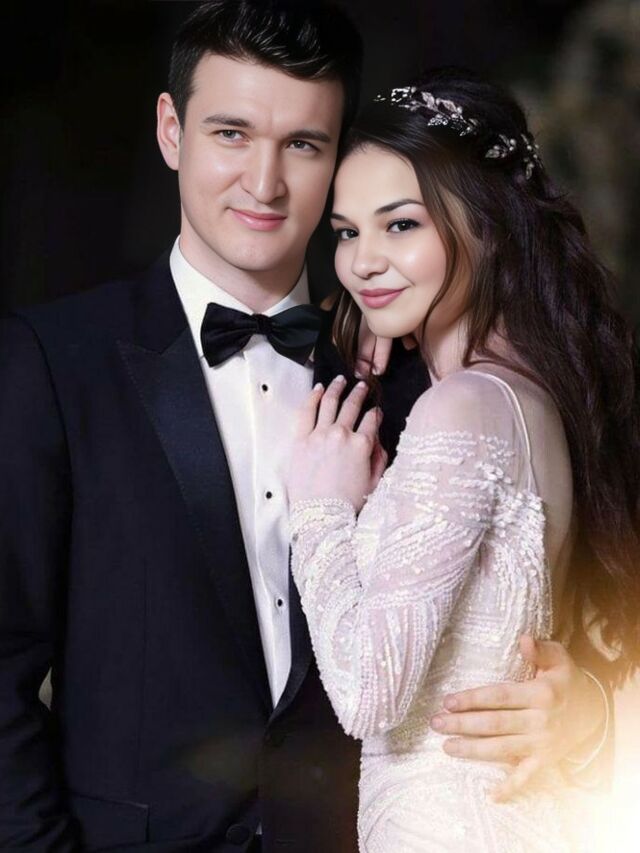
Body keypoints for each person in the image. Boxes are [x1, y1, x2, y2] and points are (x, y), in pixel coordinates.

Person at [0, 2, 613, 850]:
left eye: (303, 144)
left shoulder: (426, 378)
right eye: (231, 133)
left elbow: (567, 602)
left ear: (340, 161)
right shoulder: (53, 362)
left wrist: (584, 713)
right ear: (172, 131)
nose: (264, 182)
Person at [287, 69, 640, 851]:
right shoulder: (534, 396)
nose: (363, 261)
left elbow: (369, 692)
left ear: (490, 223)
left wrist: (318, 508)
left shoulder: (466, 406)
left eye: (400, 224)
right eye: (346, 232)